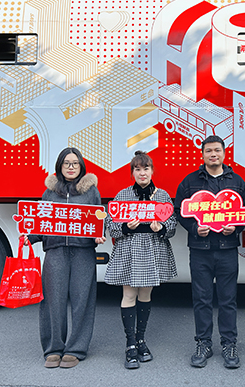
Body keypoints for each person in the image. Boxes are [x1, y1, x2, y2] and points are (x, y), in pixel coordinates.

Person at [24, 147, 106, 369]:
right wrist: (30, 237)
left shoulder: (91, 192)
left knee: (82, 301)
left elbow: (99, 219)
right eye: (66, 163)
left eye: (75, 163)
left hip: (83, 252)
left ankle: (75, 349)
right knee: (53, 301)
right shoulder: (49, 193)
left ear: (81, 166)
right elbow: (42, 223)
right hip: (55, 252)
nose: (71, 167)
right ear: (60, 166)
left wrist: (99, 235)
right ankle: (53, 349)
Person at [174, 135, 245, 369]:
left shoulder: (237, 182)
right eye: (208, 151)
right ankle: (203, 343)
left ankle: (229, 344)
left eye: (217, 150)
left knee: (228, 300)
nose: (213, 154)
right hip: (200, 250)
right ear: (203, 154)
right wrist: (194, 229)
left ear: (224, 153)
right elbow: (179, 211)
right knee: (202, 299)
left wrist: (235, 228)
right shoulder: (190, 181)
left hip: (227, 250)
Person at [105, 151, 177, 370]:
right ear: (132, 172)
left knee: (145, 295)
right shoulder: (123, 195)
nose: (142, 173)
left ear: (152, 171)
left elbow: (172, 226)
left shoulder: (162, 195)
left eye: (146, 168)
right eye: (137, 169)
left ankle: (141, 339)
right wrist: (126, 227)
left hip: (153, 248)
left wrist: (161, 228)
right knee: (129, 295)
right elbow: (111, 225)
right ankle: (130, 344)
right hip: (130, 248)